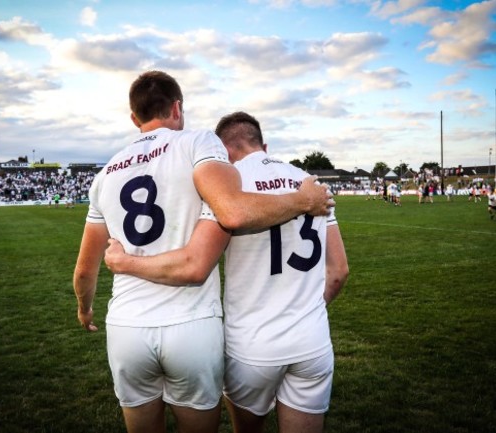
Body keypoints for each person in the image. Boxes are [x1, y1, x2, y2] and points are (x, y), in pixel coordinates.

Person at [73, 72, 334, 433]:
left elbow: (85, 271)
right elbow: (230, 215)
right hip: (192, 324)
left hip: (126, 326)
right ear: (178, 108)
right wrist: (303, 200)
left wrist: (85, 308)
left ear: (134, 118)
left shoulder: (105, 174)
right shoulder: (197, 144)